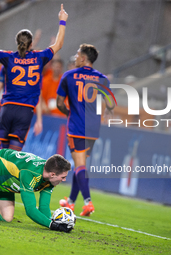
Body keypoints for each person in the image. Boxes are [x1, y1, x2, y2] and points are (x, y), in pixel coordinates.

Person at [0, 4, 68, 151]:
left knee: (1, 151)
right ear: (31, 44)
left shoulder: (8, 58)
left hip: (7, 109)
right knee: (14, 155)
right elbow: (59, 44)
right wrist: (62, 21)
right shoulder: (39, 57)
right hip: (25, 111)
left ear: (17, 43)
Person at [56, 43, 115, 216]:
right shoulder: (103, 79)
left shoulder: (69, 76)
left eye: (77, 53)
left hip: (76, 126)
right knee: (80, 164)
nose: (75, 57)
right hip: (93, 128)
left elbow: (59, 103)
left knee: (80, 164)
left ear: (83, 57)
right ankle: (71, 202)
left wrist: (69, 113)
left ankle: (88, 202)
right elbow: (110, 103)